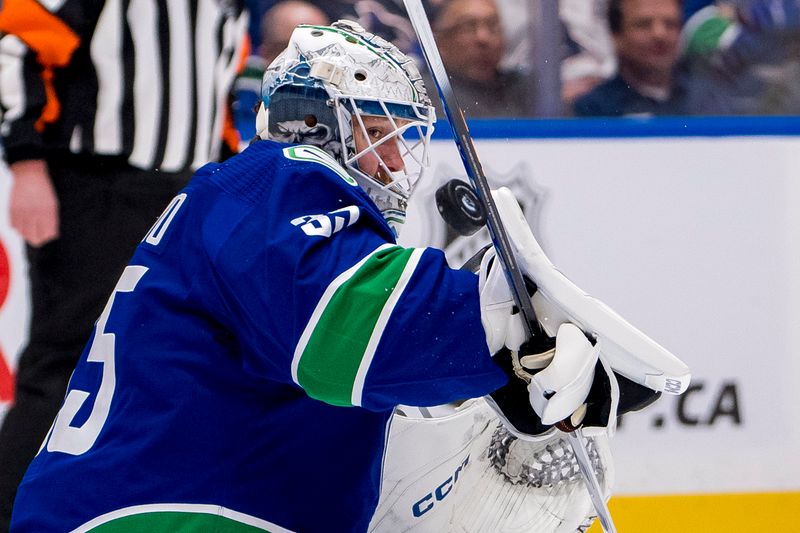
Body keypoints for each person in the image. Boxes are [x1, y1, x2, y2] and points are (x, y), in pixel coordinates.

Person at [9, 20, 676, 533]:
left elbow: (353, 430)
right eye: (381, 131)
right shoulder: (278, 176)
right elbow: (340, 328)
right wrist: (496, 323)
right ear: (317, 118)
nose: (397, 161)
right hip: (155, 515)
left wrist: (497, 432)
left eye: (405, 138)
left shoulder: (244, 207)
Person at [0, 1, 248, 530]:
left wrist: (226, 177)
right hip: (99, 185)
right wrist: (26, 163)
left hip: (188, 189)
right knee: (67, 359)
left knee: (178, 361)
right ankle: (14, 516)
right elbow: (18, 39)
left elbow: (217, 78)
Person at [232, 0, 330, 145]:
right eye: (291, 50)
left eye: (320, 50)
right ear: (265, 53)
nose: (307, 63)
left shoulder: (347, 104)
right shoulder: (239, 100)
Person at [572, 0, 689, 117]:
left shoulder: (703, 98)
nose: (659, 34)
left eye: (670, 24)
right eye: (644, 24)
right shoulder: (593, 109)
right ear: (616, 35)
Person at [430, 0, 538, 118]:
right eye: (468, 26)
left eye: (493, 26)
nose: (483, 38)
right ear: (440, 40)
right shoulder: (423, 96)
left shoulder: (528, 91)